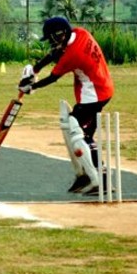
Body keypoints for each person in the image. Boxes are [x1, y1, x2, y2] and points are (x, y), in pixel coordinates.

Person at [18, 16, 114, 195]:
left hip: (94, 94)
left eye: (51, 38)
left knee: (76, 130)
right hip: (102, 87)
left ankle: (97, 180)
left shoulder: (73, 54)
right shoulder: (80, 33)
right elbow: (56, 53)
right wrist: (36, 69)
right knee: (84, 134)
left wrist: (32, 87)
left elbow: (53, 77)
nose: (51, 42)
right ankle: (92, 176)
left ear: (59, 35)